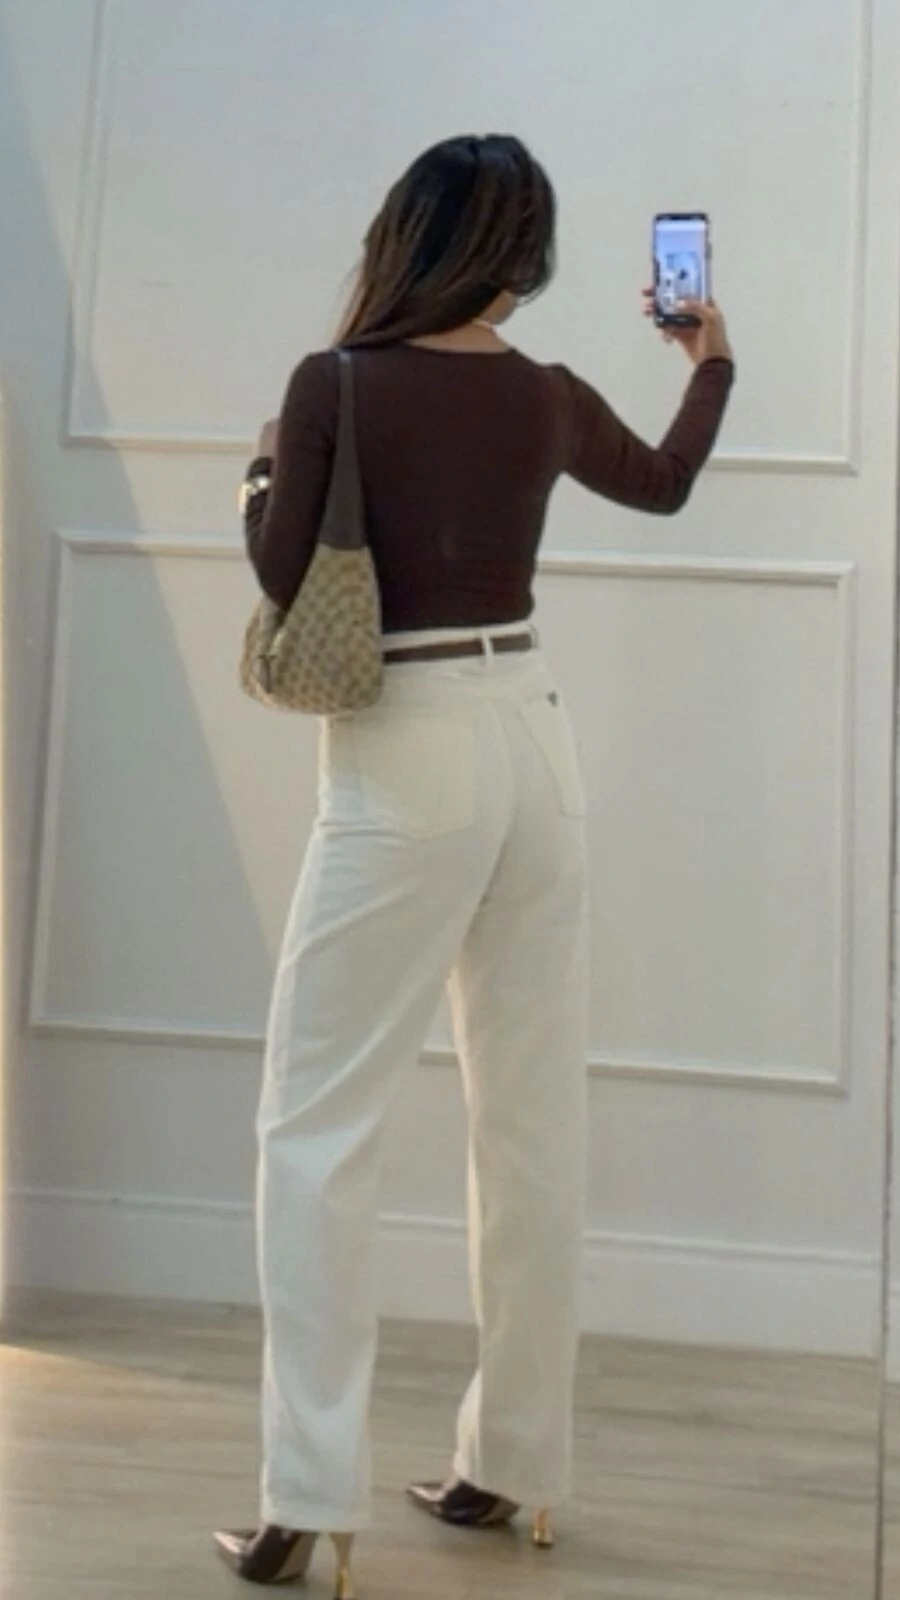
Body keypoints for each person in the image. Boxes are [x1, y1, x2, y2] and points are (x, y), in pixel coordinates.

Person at [216, 133, 734, 1596]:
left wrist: (261, 473)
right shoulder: (548, 395)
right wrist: (711, 361)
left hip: (409, 750)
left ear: (409, 234)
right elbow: (667, 484)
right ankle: (517, 1465)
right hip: (536, 744)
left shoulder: (336, 384)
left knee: (315, 1129)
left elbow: (281, 571)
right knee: (530, 1120)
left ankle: (307, 1495)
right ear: (526, 255)